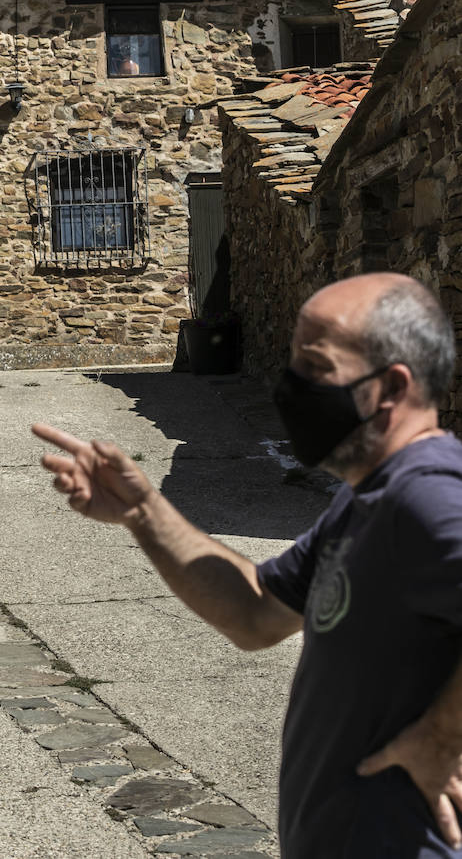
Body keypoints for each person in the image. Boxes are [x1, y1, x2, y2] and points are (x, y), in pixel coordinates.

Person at [34, 272, 462, 858]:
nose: (292, 387)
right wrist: (144, 510)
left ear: (390, 386)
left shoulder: (430, 492)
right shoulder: (365, 503)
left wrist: (443, 737)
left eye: (313, 367)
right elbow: (254, 612)